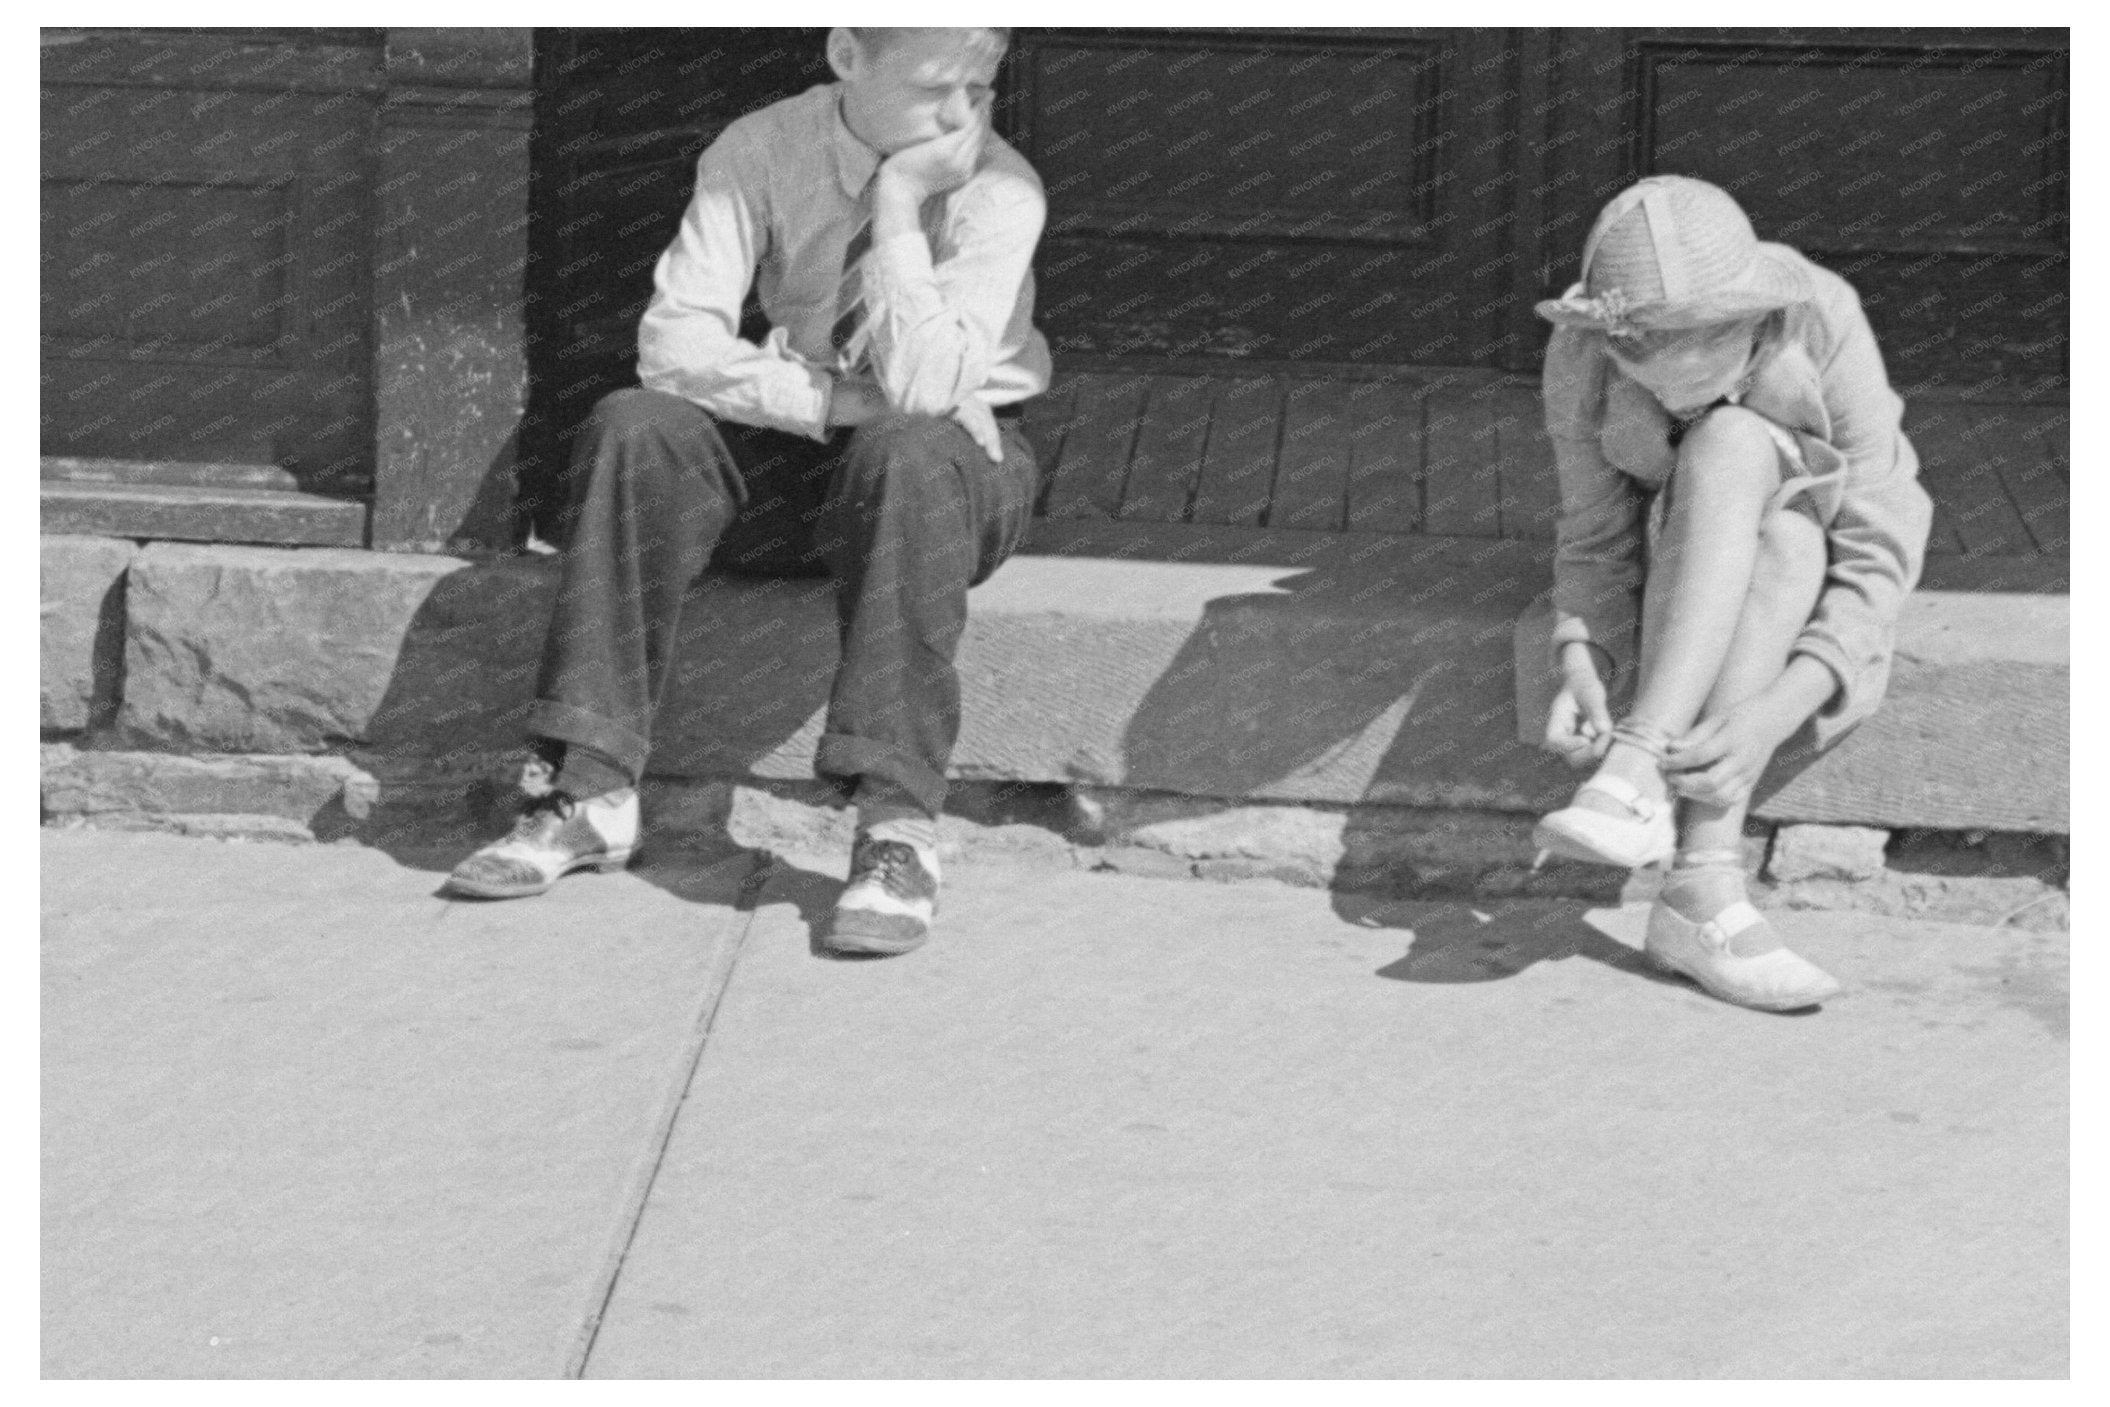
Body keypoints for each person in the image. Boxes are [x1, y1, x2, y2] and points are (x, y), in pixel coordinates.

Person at [447, 27, 1051, 958]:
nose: (963, 114)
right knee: (634, 423)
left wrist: (897, 201)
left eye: (982, 84)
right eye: (937, 86)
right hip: (805, 435)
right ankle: (592, 787)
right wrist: (826, 401)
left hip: (951, 475)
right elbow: (674, 345)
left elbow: (930, 391)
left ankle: (896, 826)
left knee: (908, 443)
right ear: (847, 56)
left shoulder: (1001, 187)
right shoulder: (759, 148)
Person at [1531, 174, 1932, 1012]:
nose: (1659, 379)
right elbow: (1595, 536)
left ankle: (1641, 777)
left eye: (1694, 359)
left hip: (1795, 584)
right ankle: (1701, 887)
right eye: (1638, 358)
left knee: (1747, 456)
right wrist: (1580, 648)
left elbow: (1882, 540)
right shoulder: (1581, 356)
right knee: (1735, 453)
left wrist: (1780, 707)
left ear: (1751, 322)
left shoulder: (1821, 317)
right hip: (1672, 583)